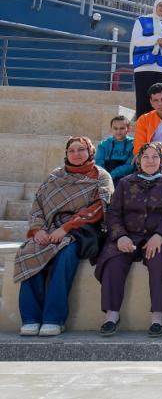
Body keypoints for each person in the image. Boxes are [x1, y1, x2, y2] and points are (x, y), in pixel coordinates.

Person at [15, 137, 114, 337]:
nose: (76, 154)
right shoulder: (55, 176)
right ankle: (31, 318)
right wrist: (38, 230)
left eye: (81, 150)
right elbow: (38, 204)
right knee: (29, 252)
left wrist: (66, 228)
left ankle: (54, 319)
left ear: (90, 152)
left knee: (65, 255)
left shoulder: (101, 176)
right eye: (72, 150)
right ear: (66, 154)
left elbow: (99, 208)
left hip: (80, 231)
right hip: (49, 229)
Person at [94, 143, 162, 337]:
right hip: (129, 234)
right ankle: (111, 315)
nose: (150, 161)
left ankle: (158, 317)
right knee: (114, 260)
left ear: (161, 160)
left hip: (159, 236)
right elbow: (113, 213)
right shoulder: (125, 183)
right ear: (138, 160)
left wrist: (160, 235)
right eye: (145, 157)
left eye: (155, 157)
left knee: (160, 259)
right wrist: (120, 236)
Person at [130, 0, 162, 115]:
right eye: (160, 5)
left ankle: (160, 126)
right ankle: (142, 126)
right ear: (155, 6)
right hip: (144, 66)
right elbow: (136, 40)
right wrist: (156, 39)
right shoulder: (142, 20)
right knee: (143, 101)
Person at [95, 115, 135, 184]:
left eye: (122, 128)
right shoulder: (103, 144)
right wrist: (105, 176)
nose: (118, 131)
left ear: (128, 129)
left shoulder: (133, 144)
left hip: (125, 178)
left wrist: (113, 174)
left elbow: (130, 166)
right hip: (105, 177)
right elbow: (99, 163)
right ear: (111, 129)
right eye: (115, 128)